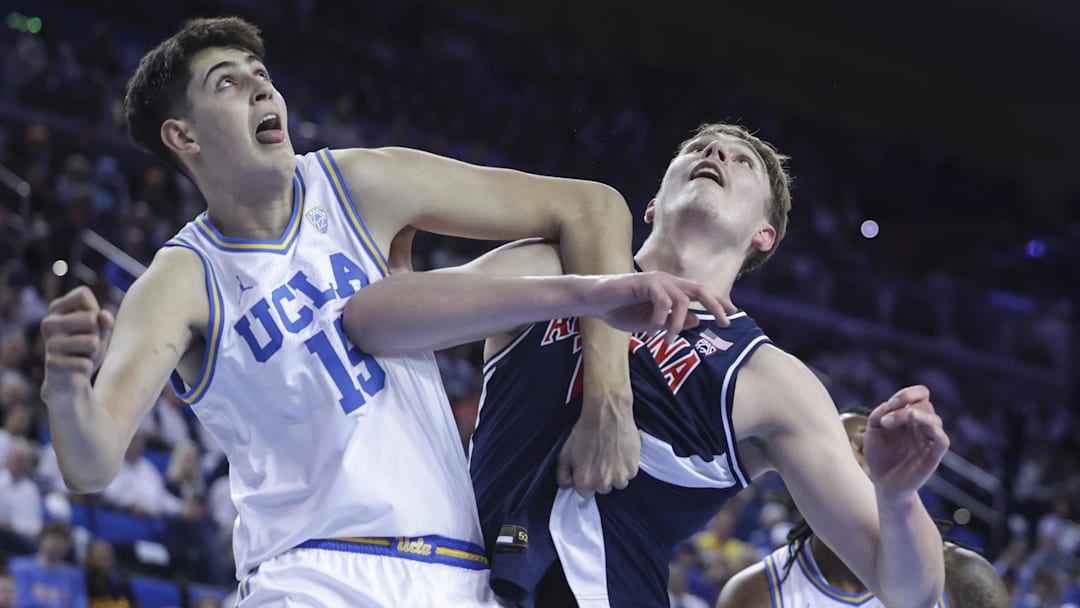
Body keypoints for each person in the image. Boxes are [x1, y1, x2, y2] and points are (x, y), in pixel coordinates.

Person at [38, 17, 726, 606]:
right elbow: (92, 464)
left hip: (457, 574)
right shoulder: (181, 278)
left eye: (260, 74)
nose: (260, 87)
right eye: (228, 82)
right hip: (312, 572)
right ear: (184, 139)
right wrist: (68, 389)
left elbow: (592, 207)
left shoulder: (358, 183)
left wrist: (608, 395)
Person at [344, 123, 951, 607]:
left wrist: (899, 498)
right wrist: (584, 295)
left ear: (765, 235)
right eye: (697, 147)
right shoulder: (556, 271)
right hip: (442, 581)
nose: (715, 151)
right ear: (654, 204)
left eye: (743, 163)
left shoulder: (771, 379)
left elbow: (907, 591)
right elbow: (371, 319)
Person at [718, 410, 1012, 608]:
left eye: (861, 448)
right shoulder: (755, 594)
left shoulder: (964, 576)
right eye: (832, 451)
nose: (847, 463)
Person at [9, 521, 86, 608]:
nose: (58, 544)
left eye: (64, 540)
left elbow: (79, 603)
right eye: (55, 539)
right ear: (41, 540)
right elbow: (19, 601)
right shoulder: (19, 567)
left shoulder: (75, 575)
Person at [84, 540, 136, 608]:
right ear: (90, 560)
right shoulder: (84, 583)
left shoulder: (122, 584)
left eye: (108, 557)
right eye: (101, 557)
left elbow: (134, 604)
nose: (105, 561)